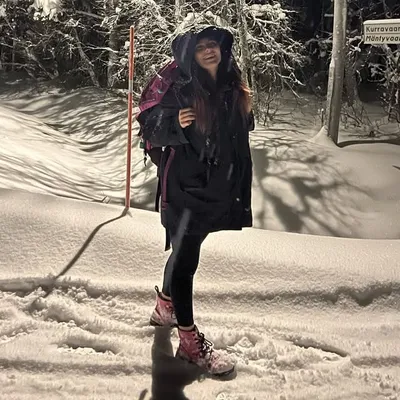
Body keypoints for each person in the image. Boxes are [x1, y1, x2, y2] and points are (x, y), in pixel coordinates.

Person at [138, 26, 254, 377]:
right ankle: (189, 343)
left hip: (216, 188)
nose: (208, 51)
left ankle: (165, 308)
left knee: (185, 252)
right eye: (200, 47)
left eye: (213, 44)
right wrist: (174, 121)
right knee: (186, 260)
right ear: (190, 54)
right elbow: (149, 127)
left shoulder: (232, 84)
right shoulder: (179, 86)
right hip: (184, 189)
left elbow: (236, 134)